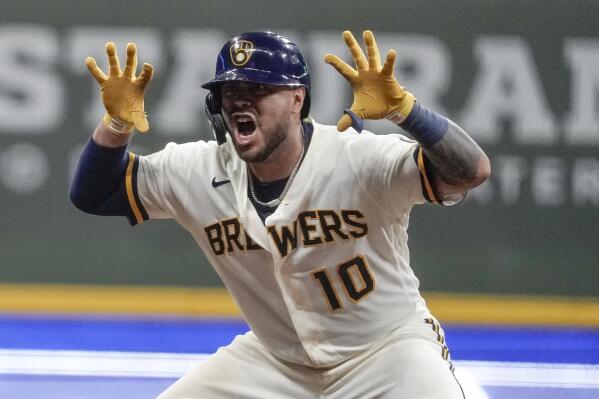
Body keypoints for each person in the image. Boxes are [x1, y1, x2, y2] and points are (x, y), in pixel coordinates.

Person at [70, 30, 490, 399]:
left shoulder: (357, 158)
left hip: (386, 352)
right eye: (231, 94)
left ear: (296, 99)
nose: (239, 104)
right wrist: (114, 126)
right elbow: (94, 193)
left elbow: (472, 171)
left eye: (257, 91)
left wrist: (405, 111)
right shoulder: (197, 170)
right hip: (277, 362)